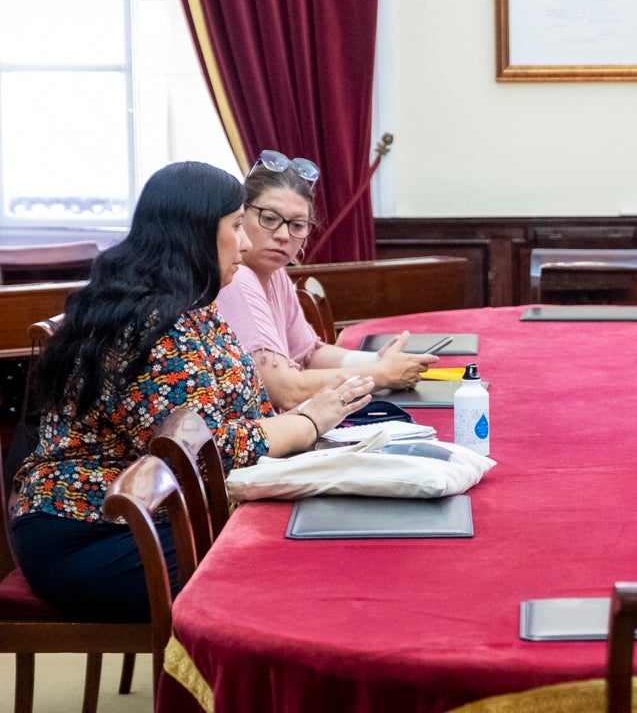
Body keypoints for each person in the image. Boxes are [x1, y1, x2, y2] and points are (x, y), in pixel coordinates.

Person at [8, 161, 375, 621]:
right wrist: (307, 423)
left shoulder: (193, 304)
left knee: (323, 526)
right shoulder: (150, 324)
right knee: (294, 558)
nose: (246, 242)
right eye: (238, 226)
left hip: (157, 511)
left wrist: (314, 425)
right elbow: (205, 454)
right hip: (91, 534)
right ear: (195, 232)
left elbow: (238, 413)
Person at [215, 150, 437, 412]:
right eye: (270, 219)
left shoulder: (276, 274)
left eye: (297, 225)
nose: (284, 235)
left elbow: (308, 356)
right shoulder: (237, 278)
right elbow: (284, 391)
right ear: (241, 218)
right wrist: (380, 374)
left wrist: (376, 359)